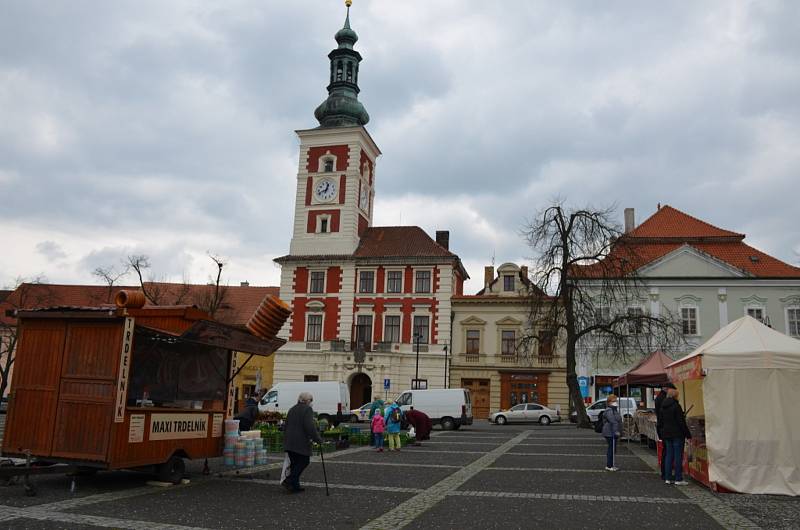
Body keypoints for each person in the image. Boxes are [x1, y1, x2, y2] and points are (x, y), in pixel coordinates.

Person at [282, 392, 323, 493]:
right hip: (300, 442)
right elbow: (310, 427)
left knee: (295, 463)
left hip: (290, 441)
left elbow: (285, 425)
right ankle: (289, 480)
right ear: (306, 401)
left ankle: (295, 486)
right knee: (304, 461)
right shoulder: (307, 409)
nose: (311, 403)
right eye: (311, 400)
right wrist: (318, 439)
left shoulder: (292, 408)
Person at [660, 387, 692, 485]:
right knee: (678, 456)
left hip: (667, 433)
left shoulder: (663, 406)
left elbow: (661, 421)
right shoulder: (676, 406)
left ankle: (668, 478)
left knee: (669, 455)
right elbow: (681, 422)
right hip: (677, 434)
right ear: (675, 396)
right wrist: (688, 434)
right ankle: (678, 478)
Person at [655, 382, 677, 480]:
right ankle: (666, 474)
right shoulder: (664, 399)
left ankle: (665, 473)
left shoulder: (659, 397)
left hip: (662, 428)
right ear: (668, 389)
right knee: (667, 452)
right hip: (666, 428)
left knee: (666, 451)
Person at [601, 394, 623, 471]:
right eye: (614, 401)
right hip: (610, 432)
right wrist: (616, 431)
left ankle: (610, 464)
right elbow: (613, 421)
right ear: (609, 402)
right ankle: (609, 465)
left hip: (611, 431)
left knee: (612, 448)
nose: (615, 402)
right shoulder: (609, 410)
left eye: (616, 400)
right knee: (611, 448)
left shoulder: (614, 409)